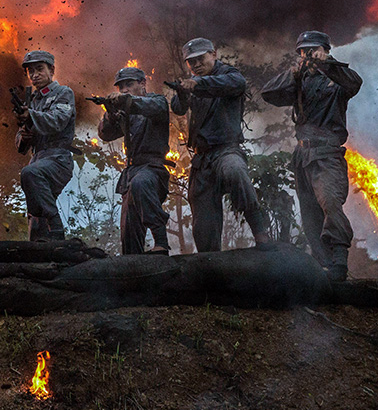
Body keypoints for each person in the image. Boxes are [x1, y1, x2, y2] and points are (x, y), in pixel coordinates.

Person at [261, 31, 363, 281]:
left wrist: (327, 64)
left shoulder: (337, 80)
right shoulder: (300, 81)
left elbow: (355, 83)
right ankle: (324, 265)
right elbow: (268, 93)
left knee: (329, 202)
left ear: (326, 50)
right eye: (304, 52)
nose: (309, 55)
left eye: (313, 50)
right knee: (309, 214)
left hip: (327, 152)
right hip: (302, 155)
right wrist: (294, 73)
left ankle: (339, 261)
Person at [170, 38, 272, 253]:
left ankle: (260, 232)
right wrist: (182, 92)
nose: (196, 65)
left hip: (227, 149)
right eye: (191, 61)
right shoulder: (192, 81)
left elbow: (237, 84)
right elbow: (178, 108)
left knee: (235, 171)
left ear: (213, 54)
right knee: (202, 219)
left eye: (200, 59)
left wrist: (198, 84)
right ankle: (210, 261)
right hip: (202, 158)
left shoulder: (229, 75)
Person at [96, 67, 171, 255]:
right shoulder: (126, 113)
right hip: (131, 172)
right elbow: (105, 135)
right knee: (129, 231)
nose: (124, 89)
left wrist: (126, 102)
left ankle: (161, 242)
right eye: (121, 87)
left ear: (143, 83)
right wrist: (110, 115)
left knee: (141, 183)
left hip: (153, 169)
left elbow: (149, 107)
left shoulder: (157, 102)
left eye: (129, 84)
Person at [15, 51, 75, 241]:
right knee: (36, 221)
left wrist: (32, 116)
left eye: (39, 69)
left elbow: (58, 120)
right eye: (30, 71)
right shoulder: (31, 100)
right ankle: (44, 252)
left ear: (52, 70)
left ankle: (56, 227)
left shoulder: (63, 93)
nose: (34, 74)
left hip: (58, 159)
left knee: (30, 173)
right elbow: (19, 143)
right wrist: (24, 136)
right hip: (38, 158)